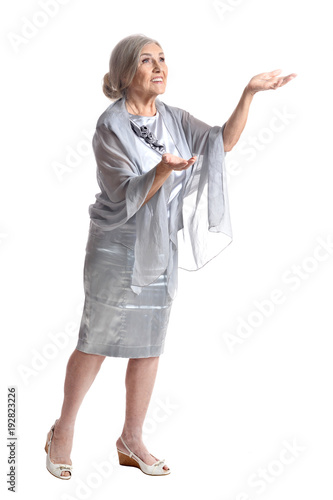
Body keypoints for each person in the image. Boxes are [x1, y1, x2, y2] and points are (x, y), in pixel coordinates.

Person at [44, 34, 297, 479]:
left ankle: (131, 438)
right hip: (116, 246)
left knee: (149, 343)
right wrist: (161, 169)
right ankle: (63, 431)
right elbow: (124, 192)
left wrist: (249, 94)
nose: (160, 66)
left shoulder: (174, 118)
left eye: (162, 58)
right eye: (147, 60)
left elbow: (221, 142)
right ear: (126, 72)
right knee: (95, 341)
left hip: (158, 246)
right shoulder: (111, 127)